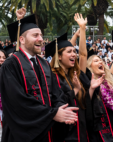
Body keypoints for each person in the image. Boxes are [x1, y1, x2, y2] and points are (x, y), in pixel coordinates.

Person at [0, 14, 79, 142]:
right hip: (22, 134)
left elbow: (56, 93)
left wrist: (61, 110)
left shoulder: (44, 64)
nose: (41, 39)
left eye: (41, 35)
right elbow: (17, 101)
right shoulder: (10, 65)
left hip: (47, 131)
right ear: (22, 39)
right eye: (35, 35)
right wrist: (52, 114)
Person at [46, 14, 102, 142]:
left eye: (74, 51)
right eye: (69, 52)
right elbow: (57, 102)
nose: (74, 54)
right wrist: (75, 89)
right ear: (59, 56)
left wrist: (92, 89)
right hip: (64, 130)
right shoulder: (52, 76)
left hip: (81, 127)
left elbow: (83, 55)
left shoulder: (76, 74)